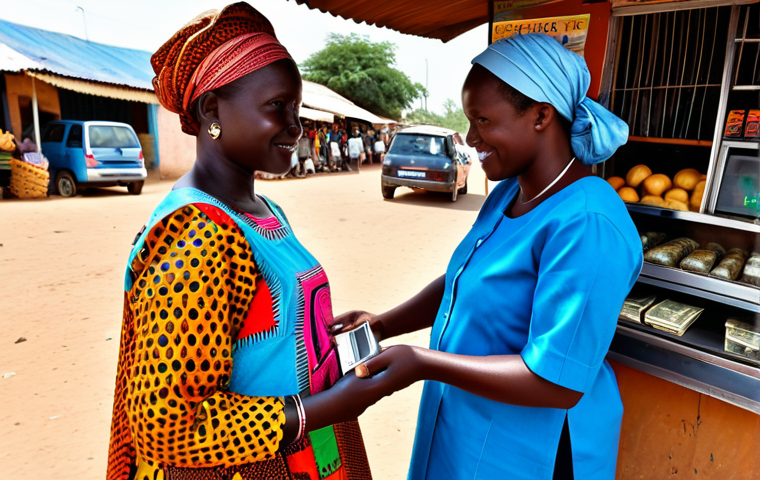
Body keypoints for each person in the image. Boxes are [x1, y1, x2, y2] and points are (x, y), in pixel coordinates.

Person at [331, 33, 641, 480]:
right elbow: (465, 280)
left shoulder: (588, 222)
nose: (471, 137)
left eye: (483, 120)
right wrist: (383, 324)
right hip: (468, 425)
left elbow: (556, 380)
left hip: (532, 450)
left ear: (540, 116)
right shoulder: (509, 195)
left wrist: (423, 362)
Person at [107, 4, 386, 479]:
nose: (296, 129)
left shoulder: (261, 211)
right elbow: (166, 425)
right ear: (211, 110)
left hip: (309, 451)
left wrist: (319, 329)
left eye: (297, 110)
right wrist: (322, 407)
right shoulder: (199, 236)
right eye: (277, 107)